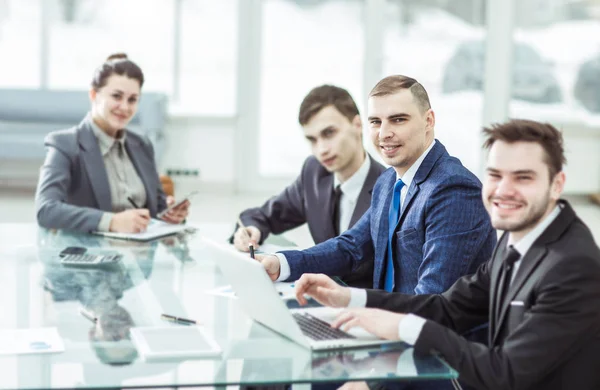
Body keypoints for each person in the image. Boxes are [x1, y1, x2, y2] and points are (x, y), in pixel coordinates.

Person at [295, 119, 600, 390]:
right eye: (495, 175)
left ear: (556, 184)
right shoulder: (519, 234)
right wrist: (352, 300)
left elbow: (506, 372)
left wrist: (403, 326)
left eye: (523, 177)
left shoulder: (574, 266)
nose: (503, 190)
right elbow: (448, 307)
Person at [256, 75, 495, 296]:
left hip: (431, 336)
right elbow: (351, 248)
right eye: (375, 122)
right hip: (389, 323)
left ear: (428, 121)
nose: (384, 133)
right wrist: (281, 264)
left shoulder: (454, 189)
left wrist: (357, 305)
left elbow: (432, 296)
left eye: (398, 120)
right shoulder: (389, 182)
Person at [232, 84, 386, 287]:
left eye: (329, 133)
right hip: (317, 302)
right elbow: (264, 215)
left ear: (358, 125)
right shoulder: (314, 173)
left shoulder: (388, 188)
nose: (321, 149)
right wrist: (251, 230)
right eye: (312, 139)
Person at [35, 53, 189, 234]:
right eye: (116, 96)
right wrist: (111, 221)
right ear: (94, 95)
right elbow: (46, 210)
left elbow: (156, 207)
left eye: (132, 99)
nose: (124, 107)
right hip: (89, 255)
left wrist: (169, 213)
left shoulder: (142, 145)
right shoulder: (65, 144)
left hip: (139, 257)